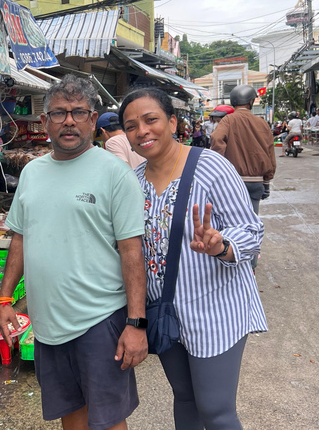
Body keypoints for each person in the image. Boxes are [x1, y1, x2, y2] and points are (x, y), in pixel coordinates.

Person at [0, 74, 147, 430]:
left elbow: (131, 252)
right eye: (59, 113)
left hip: (99, 320)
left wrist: (136, 324)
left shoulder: (114, 173)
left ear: (93, 120)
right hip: (48, 325)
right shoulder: (32, 173)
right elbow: (19, 238)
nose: (68, 120)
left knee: (109, 420)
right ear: (45, 121)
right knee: (71, 416)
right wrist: (4, 301)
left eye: (79, 112)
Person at [119, 87, 267, 430]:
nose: (142, 131)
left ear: (172, 122)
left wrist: (221, 246)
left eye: (150, 119)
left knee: (215, 410)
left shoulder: (211, 167)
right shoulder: (133, 182)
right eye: (131, 126)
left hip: (215, 310)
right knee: (185, 399)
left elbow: (250, 230)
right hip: (167, 311)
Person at [210, 84, 277, 219]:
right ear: (251, 101)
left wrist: (219, 167)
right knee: (252, 222)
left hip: (233, 182)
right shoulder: (262, 123)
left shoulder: (228, 120)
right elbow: (270, 151)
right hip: (257, 182)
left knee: (233, 223)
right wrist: (267, 182)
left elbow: (217, 139)